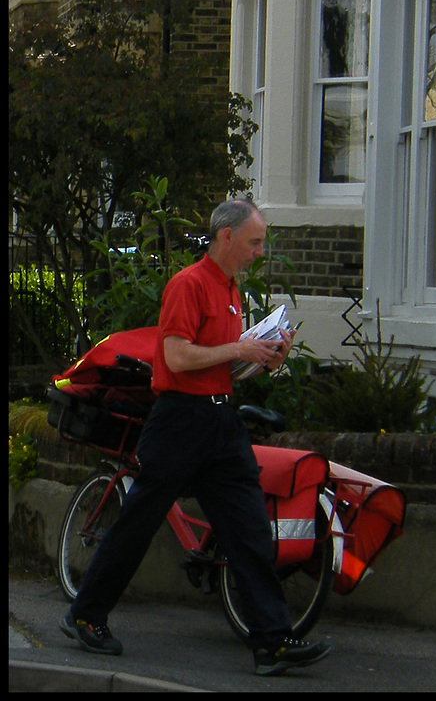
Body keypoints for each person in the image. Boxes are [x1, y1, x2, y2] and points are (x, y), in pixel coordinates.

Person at [59, 198, 332, 676]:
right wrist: (238, 346)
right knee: (138, 522)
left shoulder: (231, 290)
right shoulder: (188, 284)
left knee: (248, 530)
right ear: (226, 237)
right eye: (255, 241)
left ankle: (272, 641)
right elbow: (179, 358)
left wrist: (267, 357)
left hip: (220, 423)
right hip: (180, 421)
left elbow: (228, 368)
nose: (260, 252)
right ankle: (85, 614)